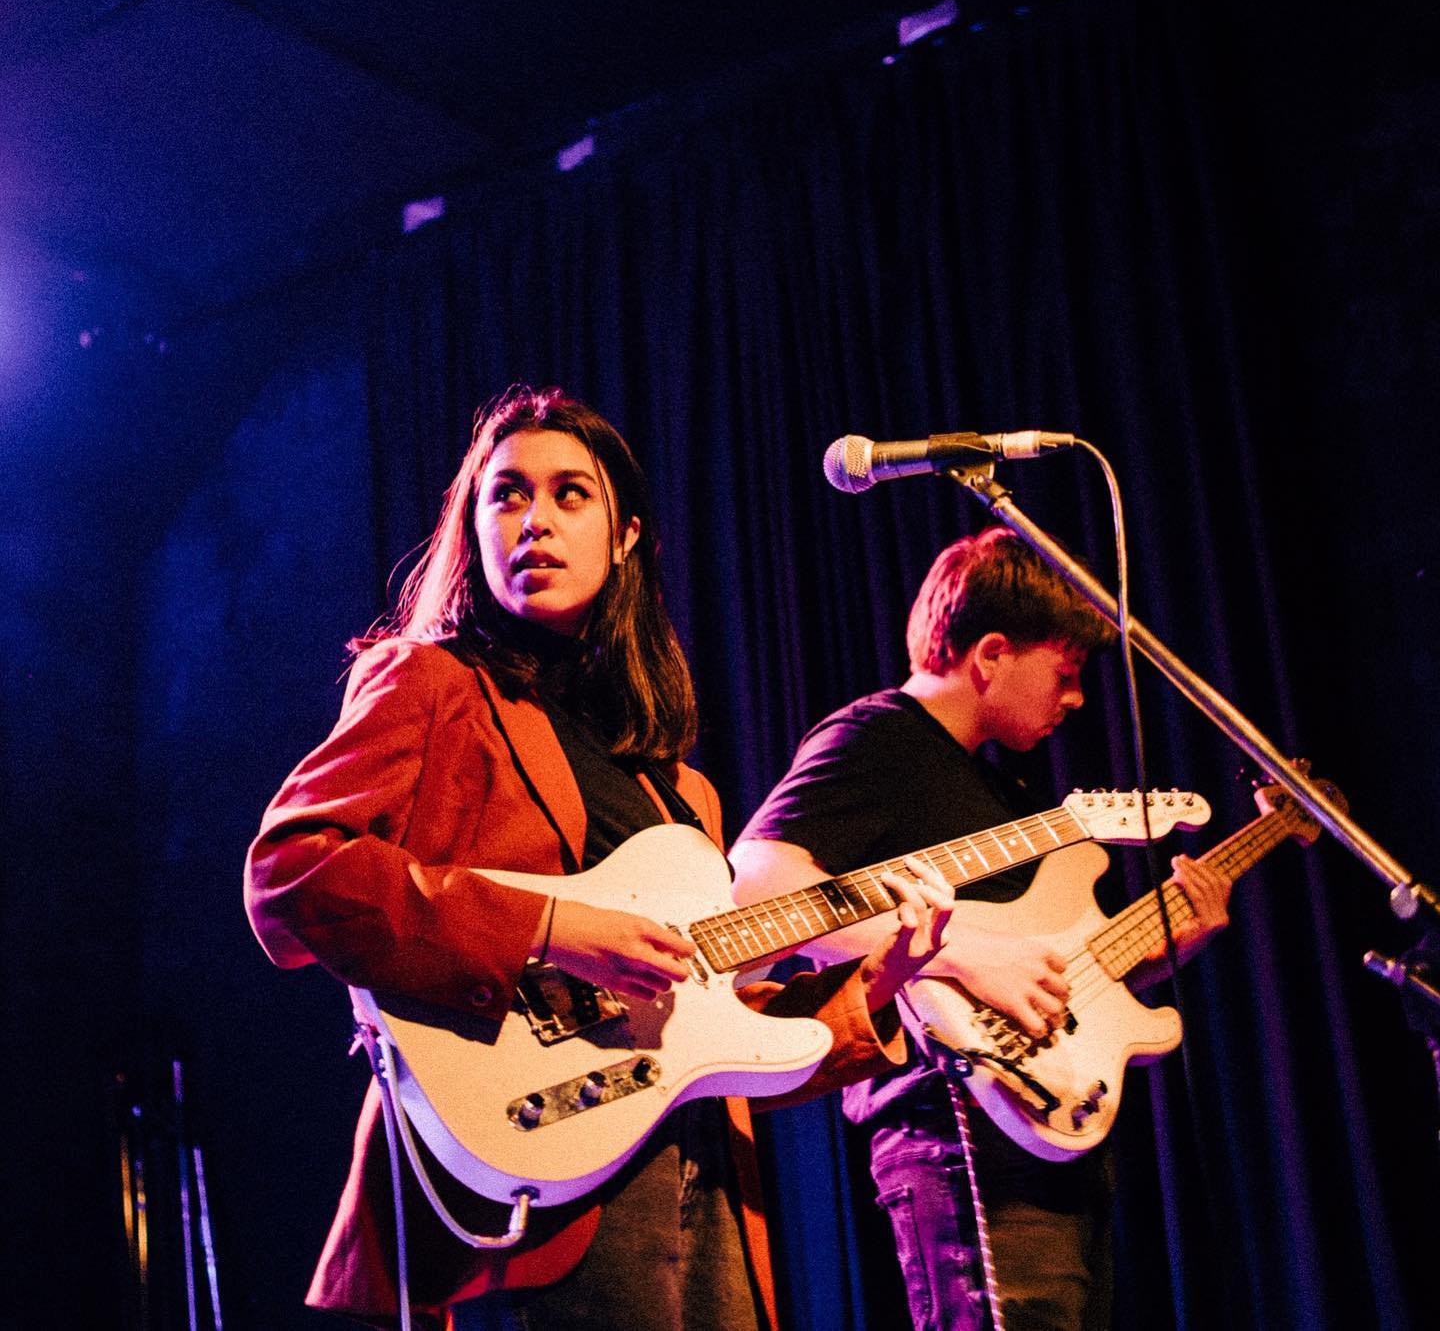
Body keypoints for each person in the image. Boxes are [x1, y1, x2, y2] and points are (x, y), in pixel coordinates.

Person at [243, 385, 957, 1331]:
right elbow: (293, 872)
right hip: (537, 1190)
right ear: (474, 527)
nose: (534, 518)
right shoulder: (430, 684)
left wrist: (876, 982)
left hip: (704, 1185)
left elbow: (720, 1030)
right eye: (506, 494)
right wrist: (551, 926)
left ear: (625, 538)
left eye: (569, 493)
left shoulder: (681, 790)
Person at [730, 526, 1232, 1331]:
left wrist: (1148, 963)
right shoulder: (878, 737)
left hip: (1051, 1120)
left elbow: (1037, 971)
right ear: (992, 653)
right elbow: (758, 883)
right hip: (955, 1121)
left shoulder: (1007, 794)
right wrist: (965, 952)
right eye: (1066, 672)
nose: (1077, 698)